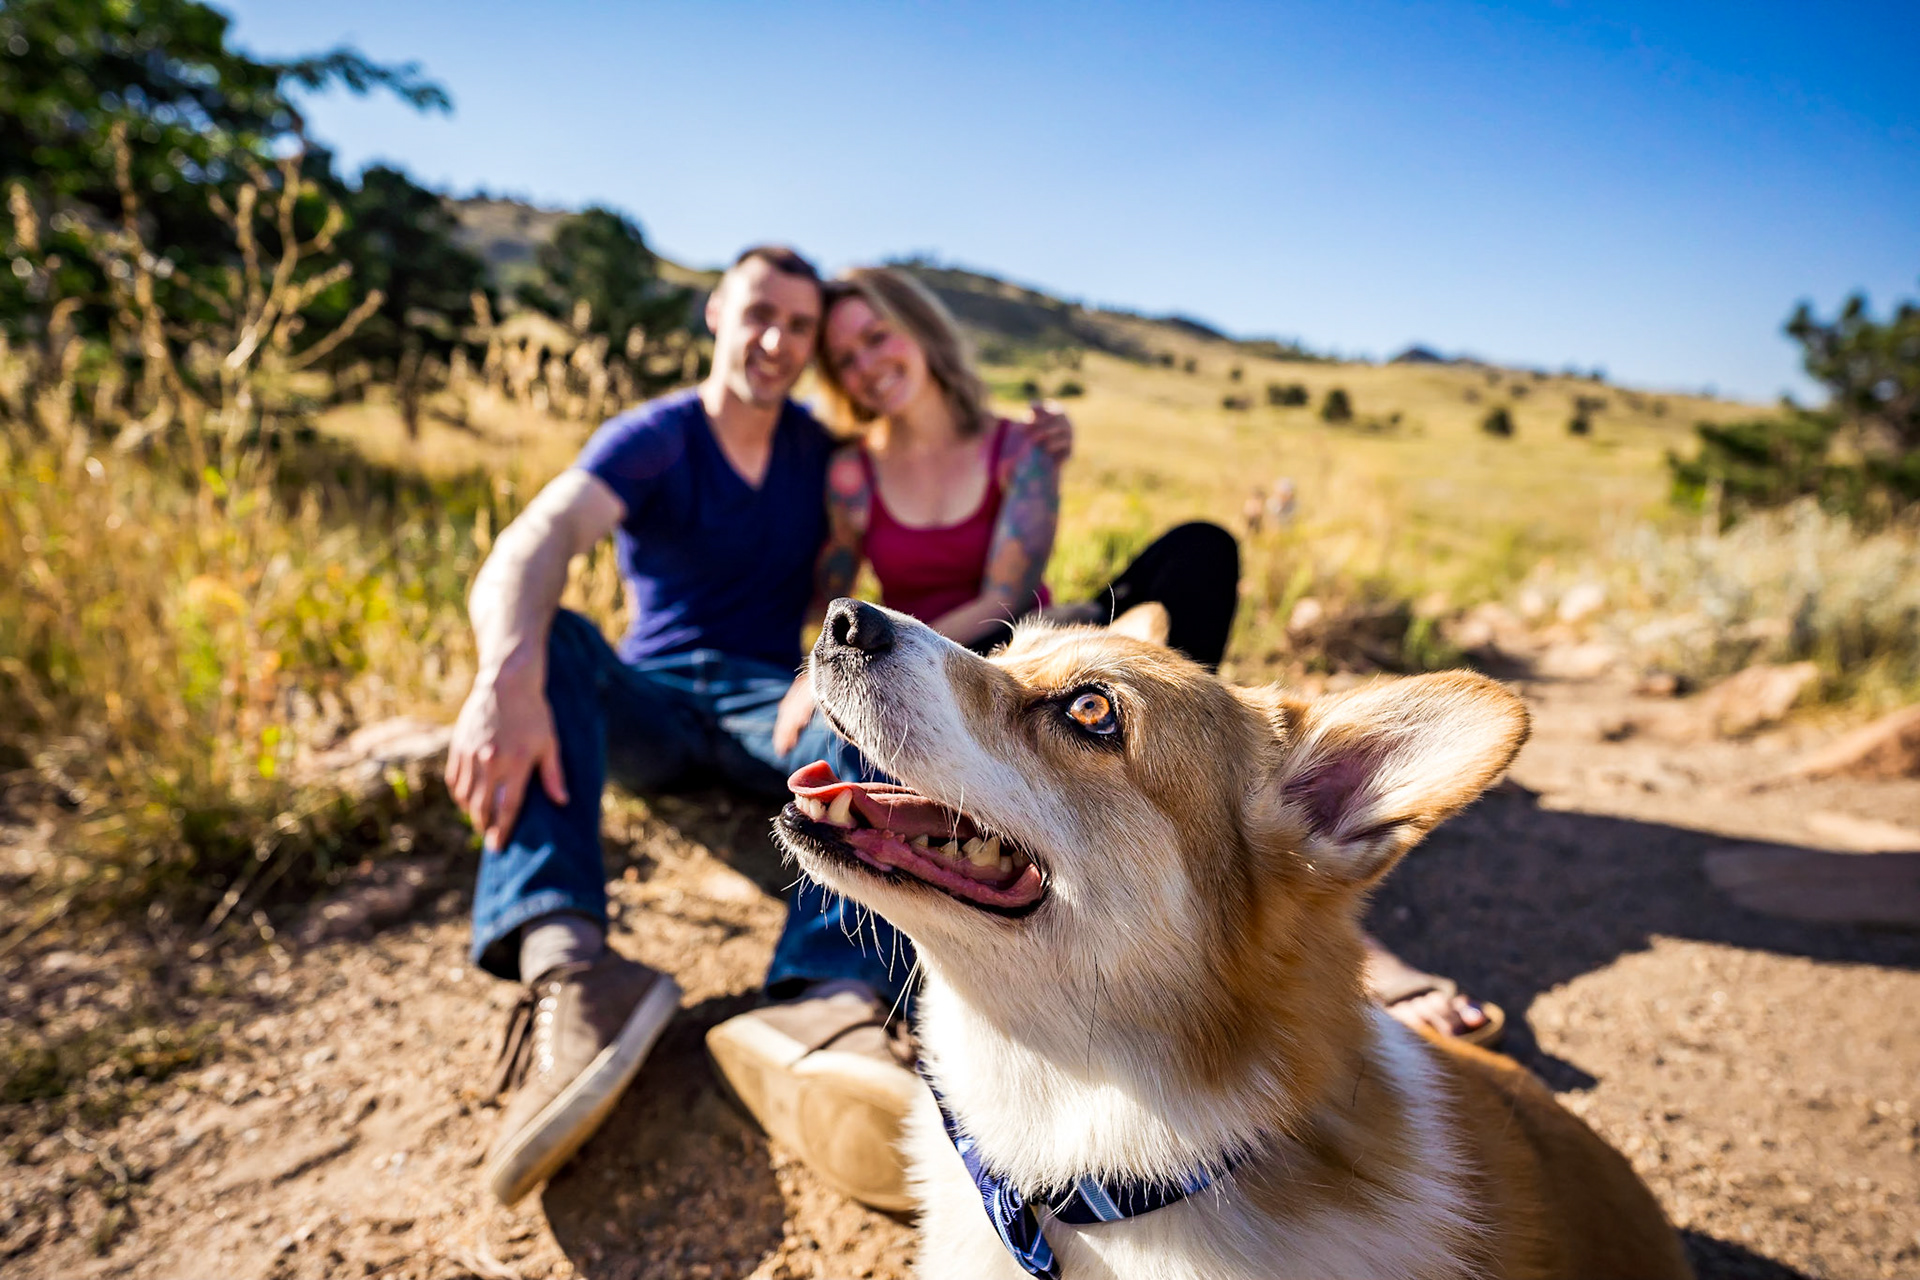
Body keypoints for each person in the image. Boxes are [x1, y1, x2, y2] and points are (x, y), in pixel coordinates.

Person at [446, 246, 1062, 1213]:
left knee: (856, 697)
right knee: (551, 641)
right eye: (758, 315)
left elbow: (916, 435)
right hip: (649, 699)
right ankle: (572, 972)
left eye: (800, 327)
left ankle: (825, 998)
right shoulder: (655, 437)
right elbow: (539, 536)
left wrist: (1031, 431)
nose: (777, 341)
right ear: (717, 313)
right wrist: (501, 675)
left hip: (761, 708)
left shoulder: (821, 453)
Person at [781, 266, 1500, 1047]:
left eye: (876, 336)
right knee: (1088, 690)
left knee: (1200, 549)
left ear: (919, 330)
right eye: (843, 358)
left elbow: (1007, 593)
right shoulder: (853, 471)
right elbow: (833, 593)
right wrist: (828, 662)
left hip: (1021, 641)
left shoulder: (1016, 444)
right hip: (914, 652)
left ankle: (1214, 807)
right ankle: (1200, 820)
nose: (865, 364)